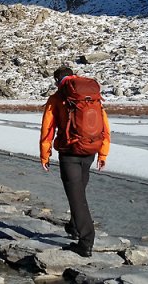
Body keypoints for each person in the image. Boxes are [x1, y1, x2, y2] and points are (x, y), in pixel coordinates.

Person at [39, 66, 111, 257]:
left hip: (69, 152)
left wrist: (45, 154)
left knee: (76, 196)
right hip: (90, 150)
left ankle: (86, 241)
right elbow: (104, 125)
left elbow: (47, 129)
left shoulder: (57, 98)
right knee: (79, 191)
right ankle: (74, 226)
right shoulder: (89, 96)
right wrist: (103, 153)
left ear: (57, 80)